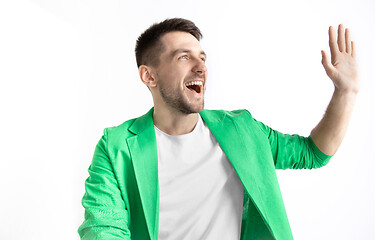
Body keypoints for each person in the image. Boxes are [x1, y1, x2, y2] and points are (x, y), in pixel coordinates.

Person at [78, 18, 359, 240]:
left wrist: (345, 92)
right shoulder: (115, 146)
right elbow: (103, 228)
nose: (201, 67)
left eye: (202, 57)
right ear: (148, 75)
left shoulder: (242, 129)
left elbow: (313, 153)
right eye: (183, 57)